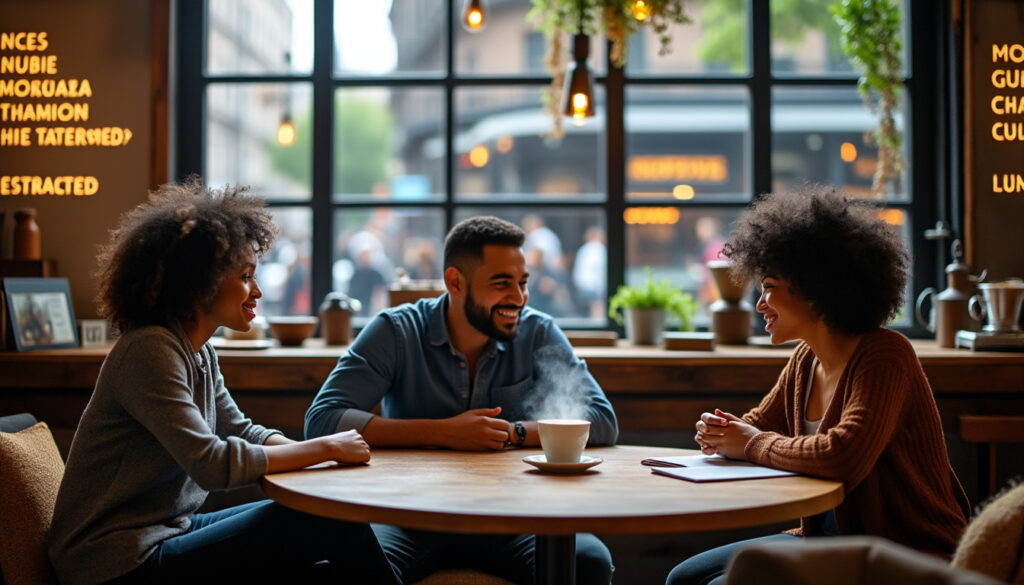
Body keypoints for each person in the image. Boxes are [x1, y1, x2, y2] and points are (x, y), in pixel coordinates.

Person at [47, 180, 397, 585]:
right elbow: (211, 464)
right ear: (201, 281)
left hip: (164, 531)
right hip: (112, 561)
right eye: (246, 276)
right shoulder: (148, 351)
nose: (258, 291)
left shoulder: (199, 350)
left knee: (327, 531)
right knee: (332, 518)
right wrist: (325, 446)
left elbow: (240, 430)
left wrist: (311, 454)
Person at [666, 184, 970, 585]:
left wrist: (749, 442)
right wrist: (720, 431)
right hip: (826, 539)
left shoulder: (885, 355)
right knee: (682, 578)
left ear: (815, 289)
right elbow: (756, 426)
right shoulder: (806, 359)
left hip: (903, 551)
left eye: (769, 288)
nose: (760, 305)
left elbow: (842, 455)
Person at [305, 215, 619, 585]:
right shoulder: (397, 330)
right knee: (349, 565)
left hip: (515, 516)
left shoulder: (538, 331)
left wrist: (511, 433)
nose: (518, 298)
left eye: (522, 283)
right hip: (410, 515)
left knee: (589, 561)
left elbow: (601, 420)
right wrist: (443, 433)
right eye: (502, 284)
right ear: (455, 282)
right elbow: (323, 420)